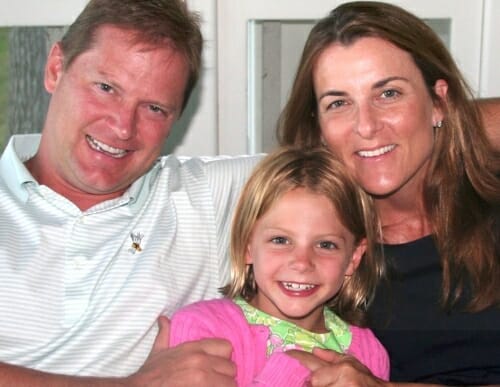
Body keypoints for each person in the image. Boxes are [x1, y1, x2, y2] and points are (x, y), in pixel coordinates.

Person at [0, 0, 261, 385]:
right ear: (56, 68)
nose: (123, 127)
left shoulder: (205, 196)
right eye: (106, 88)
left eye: (154, 108)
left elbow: (358, 158)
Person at [277, 1, 500, 386]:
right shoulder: (306, 244)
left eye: (389, 94)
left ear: (438, 101)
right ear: (319, 129)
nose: (366, 126)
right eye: (339, 103)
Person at [168, 146, 389, 385]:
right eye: (280, 240)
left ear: (353, 258)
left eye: (325, 245)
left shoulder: (369, 351)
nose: (302, 263)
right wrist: (288, 371)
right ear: (248, 246)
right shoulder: (204, 327)